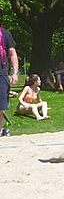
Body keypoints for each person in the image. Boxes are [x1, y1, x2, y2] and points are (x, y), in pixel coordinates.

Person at [0, 7, 20, 137]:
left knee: (0, 106)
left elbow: (12, 54)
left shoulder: (5, 34)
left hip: (1, 73)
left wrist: (15, 72)